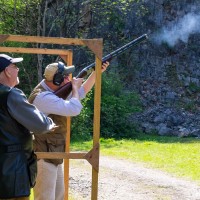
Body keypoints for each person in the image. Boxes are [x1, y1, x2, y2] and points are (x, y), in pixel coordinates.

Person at [28, 60, 109, 200]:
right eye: (65, 77)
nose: (69, 79)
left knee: (59, 196)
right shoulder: (43, 97)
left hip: (53, 154)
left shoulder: (51, 92)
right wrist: (75, 88)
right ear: (57, 80)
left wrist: (96, 73)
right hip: (43, 156)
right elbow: (74, 108)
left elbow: (81, 94)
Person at [0, 54, 55, 200]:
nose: (18, 69)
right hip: (12, 178)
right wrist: (49, 122)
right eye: (15, 66)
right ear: (7, 71)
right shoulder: (11, 95)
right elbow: (41, 125)